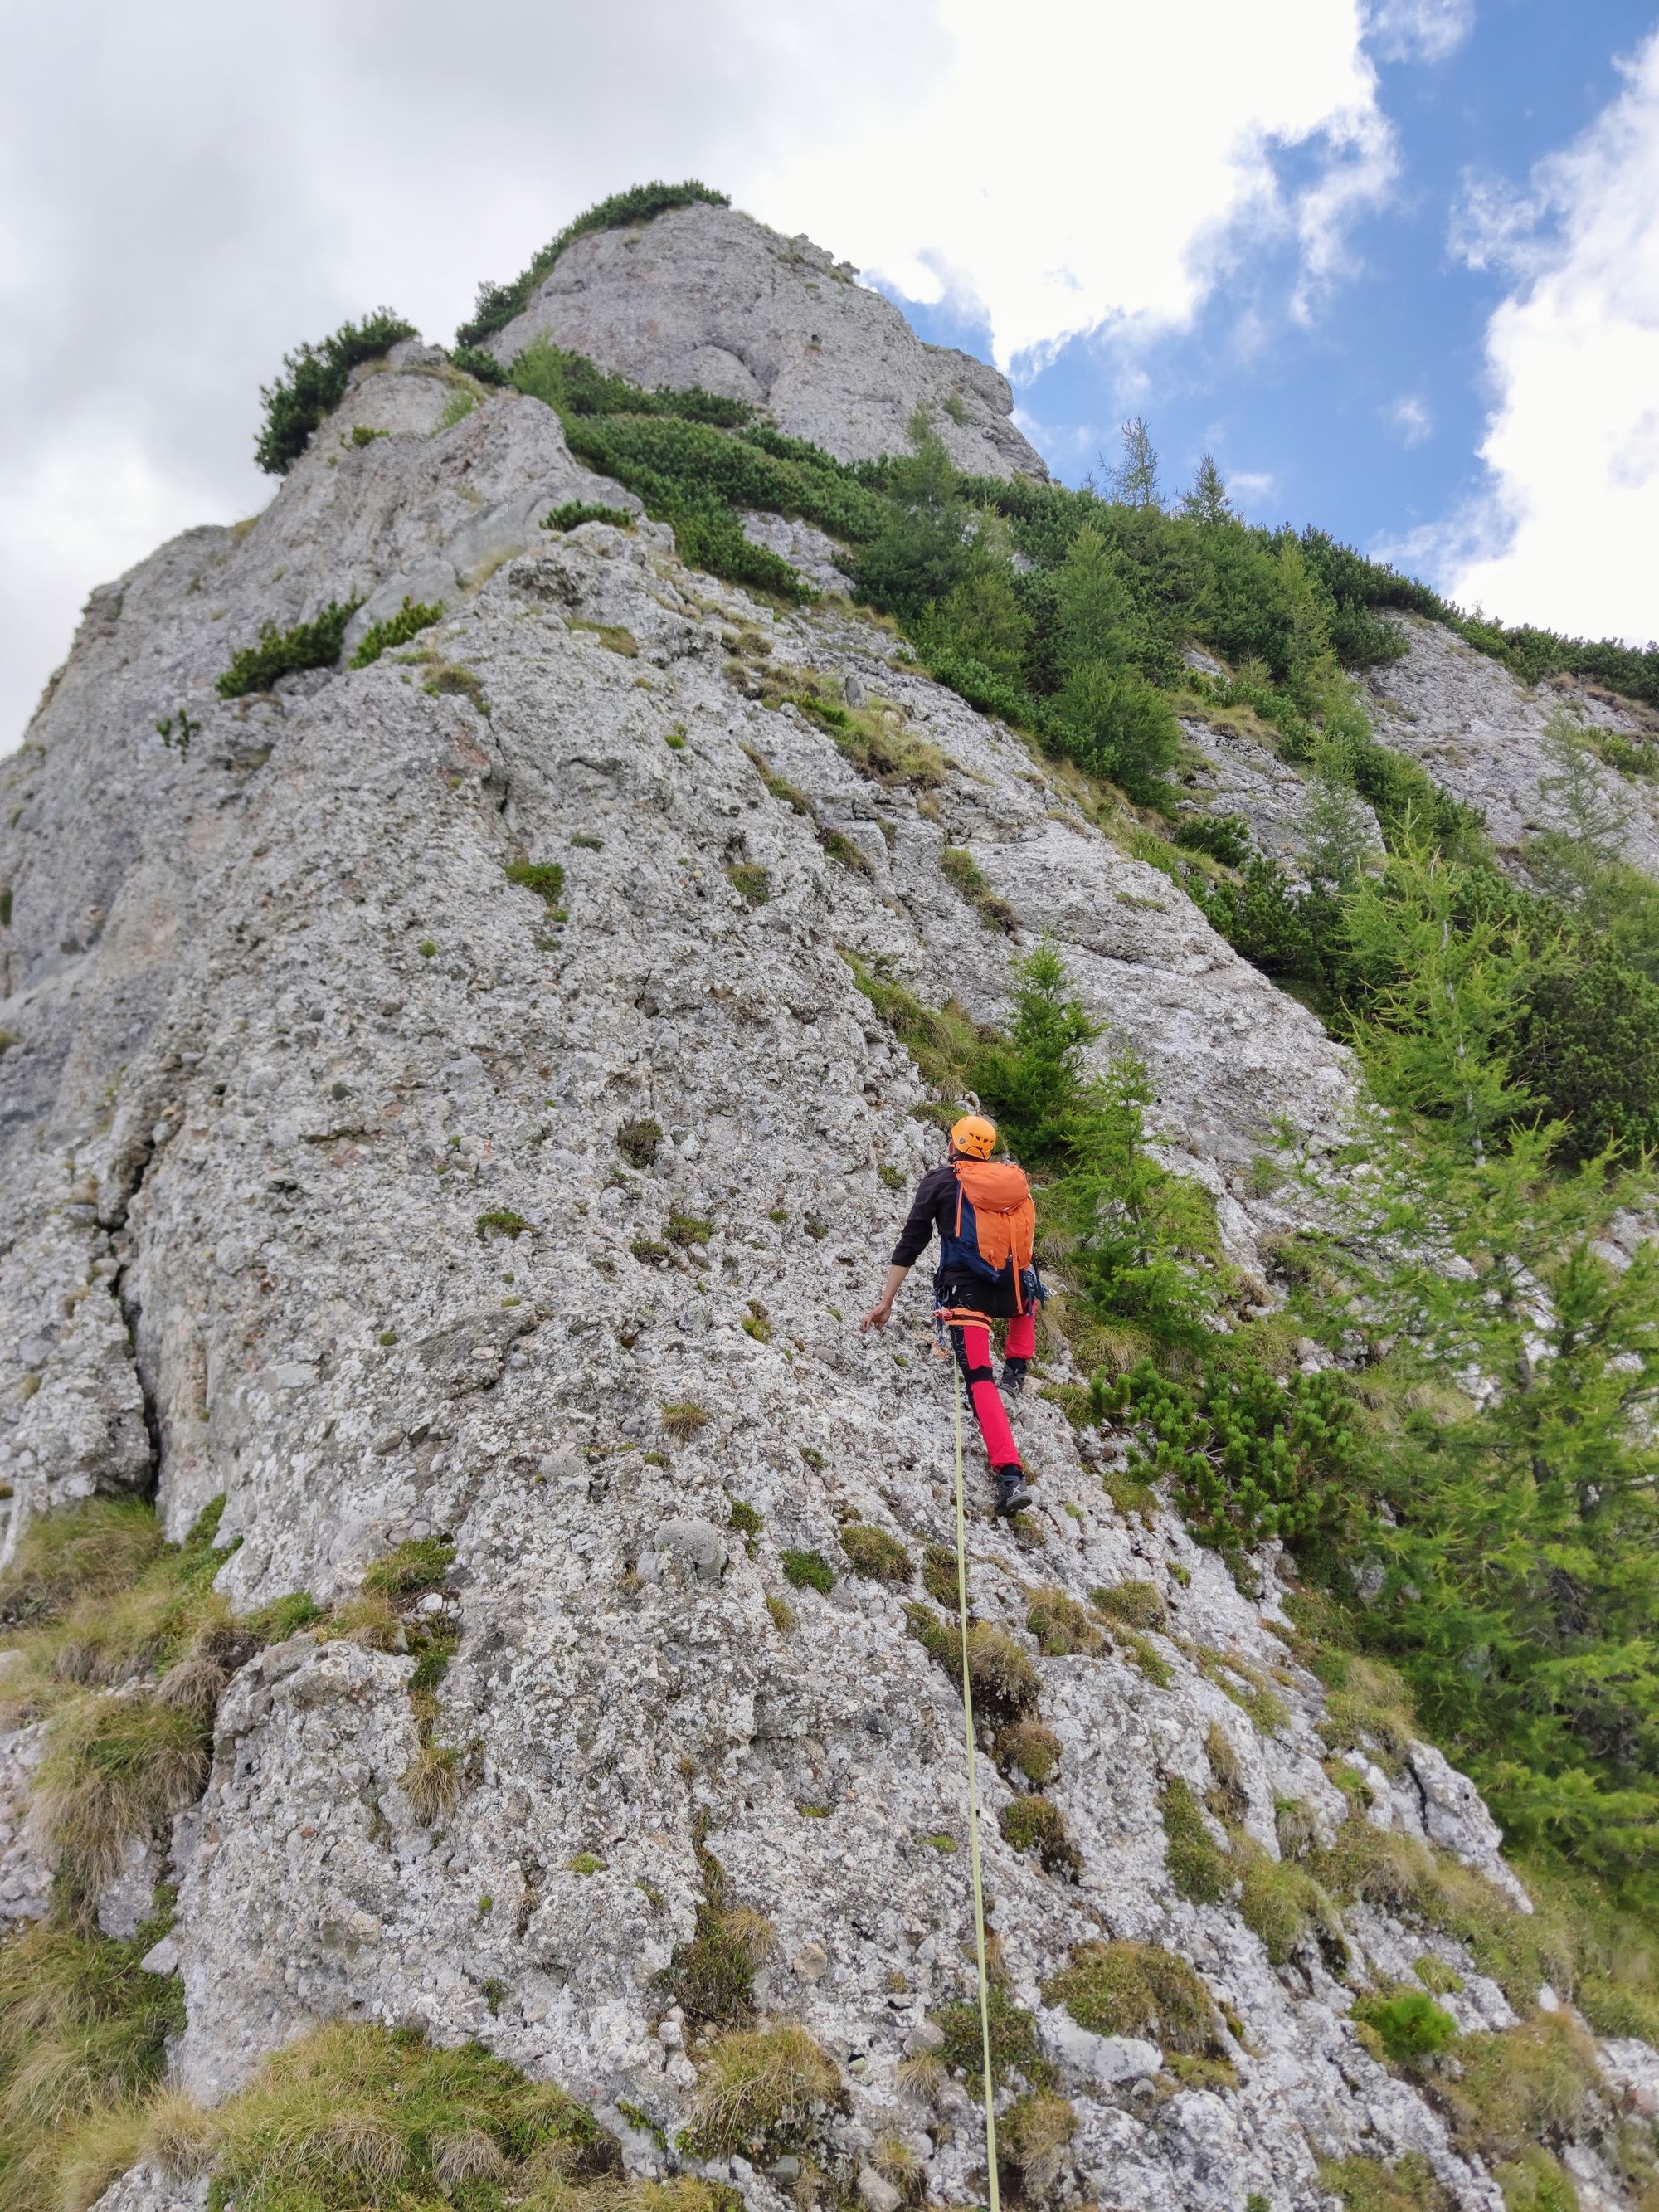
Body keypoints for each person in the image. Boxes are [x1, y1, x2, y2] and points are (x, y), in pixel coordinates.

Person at [860, 1113, 1039, 1515]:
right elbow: (1024, 1253)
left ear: (953, 1145)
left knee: (978, 1379)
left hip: (966, 1294)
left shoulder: (941, 1181)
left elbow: (912, 1241)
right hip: (1013, 1293)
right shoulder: (1011, 1184)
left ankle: (1010, 1476)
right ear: (988, 1150)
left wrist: (887, 1300)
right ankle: (1017, 1367)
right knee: (1028, 1283)